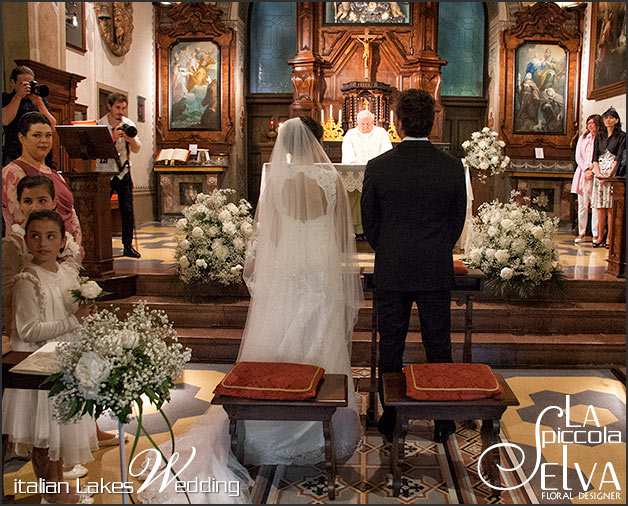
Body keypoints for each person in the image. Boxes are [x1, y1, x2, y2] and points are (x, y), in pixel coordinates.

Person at [138, 117, 363, 503]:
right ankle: (317, 429)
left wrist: (267, 275)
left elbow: (270, 235)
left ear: (287, 147)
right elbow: (342, 234)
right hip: (320, 274)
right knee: (319, 342)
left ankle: (265, 427)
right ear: (317, 140)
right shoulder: (331, 181)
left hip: (286, 273)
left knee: (279, 343)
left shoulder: (277, 181)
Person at [361, 89, 467, 444]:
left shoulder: (379, 167)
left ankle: (391, 419)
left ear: (396, 122)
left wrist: (390, 248)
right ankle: (442, 420)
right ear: (433, 122)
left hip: (392, 267)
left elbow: (369, 223)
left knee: (391, 344)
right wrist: (437, 248)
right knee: (438, 343)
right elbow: (456, 222)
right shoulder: (452, 167)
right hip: (435, 267)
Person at [2, 210, 97, 504]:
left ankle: (58, 484)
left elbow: (69, 310)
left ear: (62, 241)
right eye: (35, 236)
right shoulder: (27, 280)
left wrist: (86, 310)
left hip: (61, 357)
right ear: (27, 241)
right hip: (36, 365)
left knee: (59, 429)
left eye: (50, 236)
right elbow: (29, 330)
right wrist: (74, 320)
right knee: (43, 434)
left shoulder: (66, 272)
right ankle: (51, 491)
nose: (42, 243)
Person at [2, 112, 82, 249]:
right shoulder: (12, 172)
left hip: (68, 252)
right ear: (22, 138)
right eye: (37, 135)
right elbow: (20, 219)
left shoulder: (55, 173)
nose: (44, 140)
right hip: (37, 253)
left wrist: (76, 246)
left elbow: (71, 213)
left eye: (48, 135)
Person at [96, 92, 142, 258]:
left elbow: (136, 149)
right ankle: (100, 246)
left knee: (127, 210)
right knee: (101, 210)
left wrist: (131, 140)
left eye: (123, 108)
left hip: (124, 172)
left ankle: (128, 246)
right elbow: (98, 151)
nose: (120, 111)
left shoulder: (128, 124)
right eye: (117, 107)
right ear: (109, 106)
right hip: (105, 173)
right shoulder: (100, 125)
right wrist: (112, 139)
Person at [341, 109, 392, 237]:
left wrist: (375, 164)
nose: (365, 126)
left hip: (376, 171)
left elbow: (387, 153)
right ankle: (358, 229)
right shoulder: (350, 134)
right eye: (362, 124)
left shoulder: (381, 133)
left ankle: (376, 228)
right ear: (357, 122)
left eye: (367, 124)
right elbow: (348, 153)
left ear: (372, 121)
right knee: (355, 198)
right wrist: (354, 161)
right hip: (356, 170)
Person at [2, 65, 57, 166]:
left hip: (40, 156)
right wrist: (18, 97)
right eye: (23, 84)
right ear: (13, 82)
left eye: (30, 84)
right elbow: (5, 120)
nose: (27, 87)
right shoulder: (6, 98)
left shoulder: (40, 101)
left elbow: (52, 126)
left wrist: (39, 103)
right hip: (15, 154)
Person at [591, 107, 626, 248]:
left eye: (611, 118)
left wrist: (610, 175)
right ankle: (600, 236)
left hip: (612, 174)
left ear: (616, 120)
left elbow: (619, 157)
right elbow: (594, 156)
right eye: (606, 117)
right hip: (599, 173)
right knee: (600, 207)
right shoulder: (599, 136)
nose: (608, 120)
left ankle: (610, 238)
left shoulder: (622, 136)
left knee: (610, 207)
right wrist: (598, 173)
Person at [572, 114, 602, 243]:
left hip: (596, 173)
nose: (590, 125)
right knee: (583, 205)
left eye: (593, 123)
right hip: (584, 173)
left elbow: (601, 156)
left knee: (595, 205)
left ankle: (595, 234)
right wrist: (586, 169)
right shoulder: (583, 138)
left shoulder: (601, 138)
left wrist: (594, 171)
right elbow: (578, 156)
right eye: (588, 123)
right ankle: (581, 232)